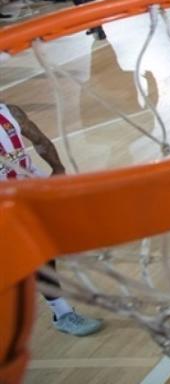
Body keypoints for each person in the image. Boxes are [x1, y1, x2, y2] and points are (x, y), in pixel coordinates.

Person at [0, 102, 104, 336]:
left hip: (27, 189)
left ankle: (61, 311)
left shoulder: (10, 112)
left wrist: (58, 168)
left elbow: (40, 141)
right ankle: (62, 313)